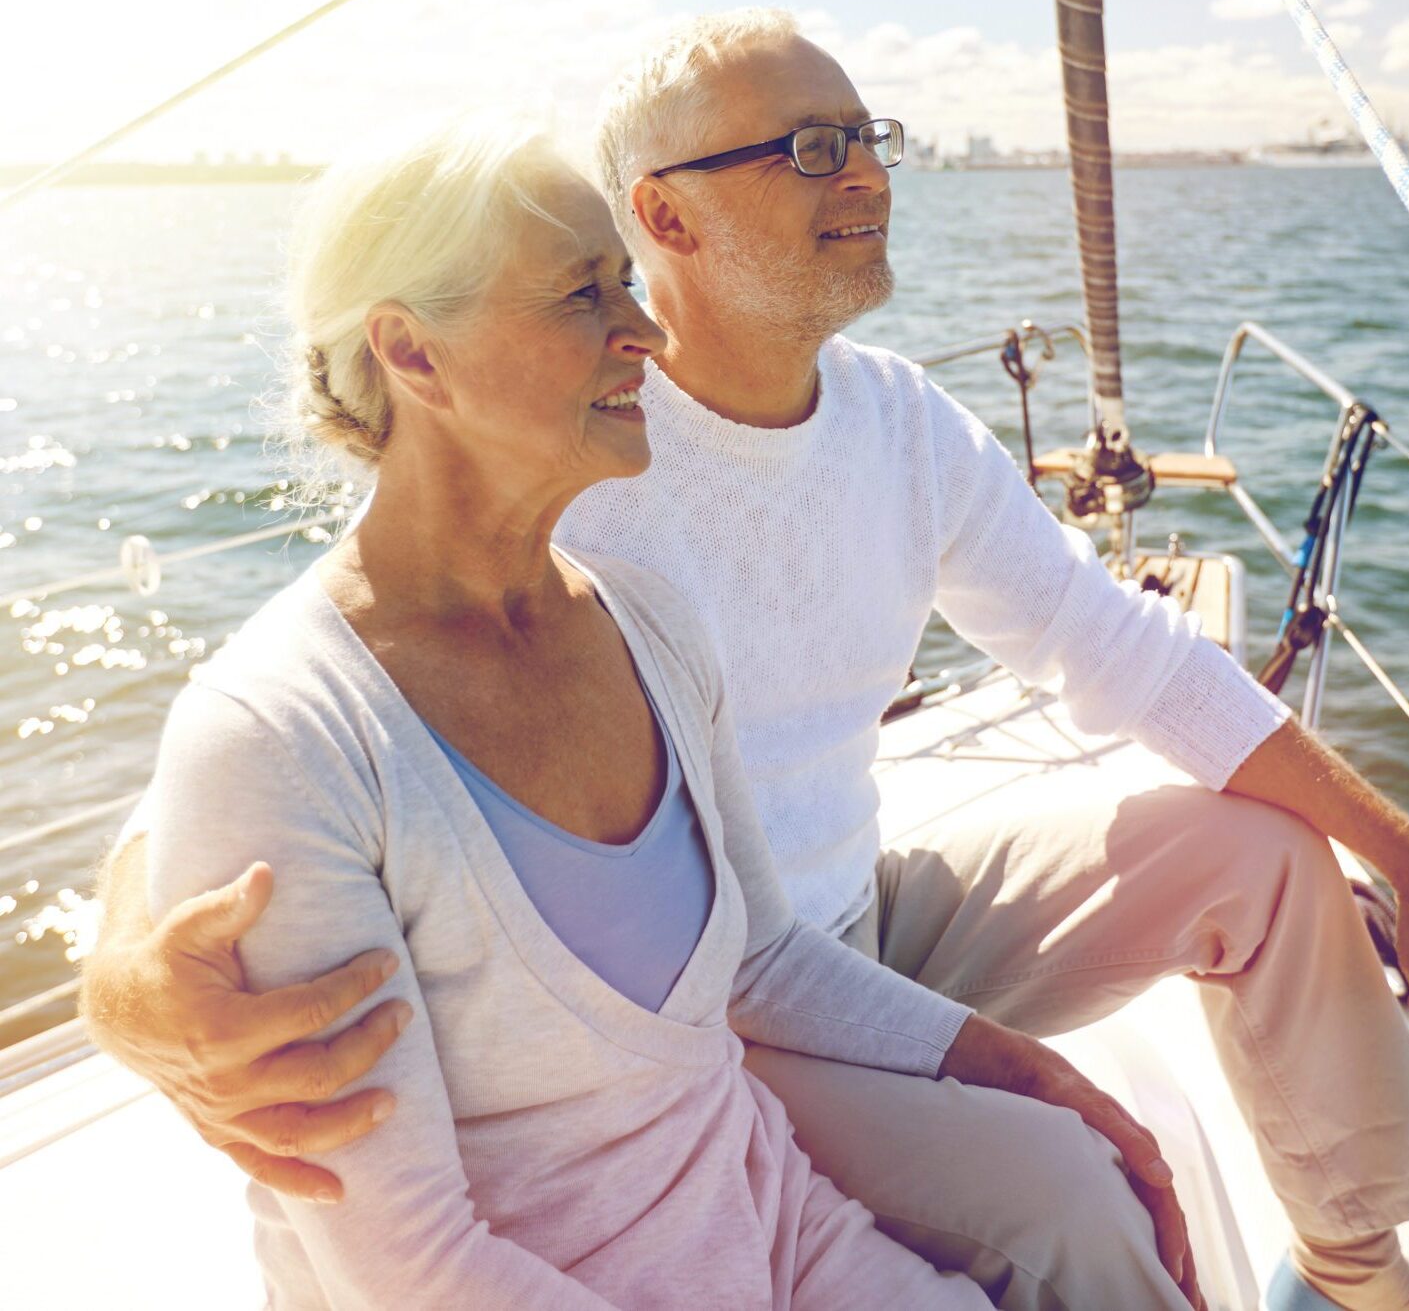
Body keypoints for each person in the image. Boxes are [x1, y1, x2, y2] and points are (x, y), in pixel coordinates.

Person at [86, 12, 1409, 1311]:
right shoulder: (566, 450)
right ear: (664, 215)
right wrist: (120, 975)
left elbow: (1118, 648)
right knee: (1071, 1197)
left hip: (845, 918)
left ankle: (1350, 1274)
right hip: (717, 1004)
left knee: (1259, 852)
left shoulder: (890, 422)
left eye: (869, 139)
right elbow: (317, 719)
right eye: (811, 150)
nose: (869, 179)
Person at [126, 113, 1188, 1309]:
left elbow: (767, 963)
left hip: (773, 1241)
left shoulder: (645, 621)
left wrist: (1029, 1075)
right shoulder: (284, 738)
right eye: (585, 295)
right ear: (414, 358)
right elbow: (414, 1274)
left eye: (627, 279)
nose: (645, 328)